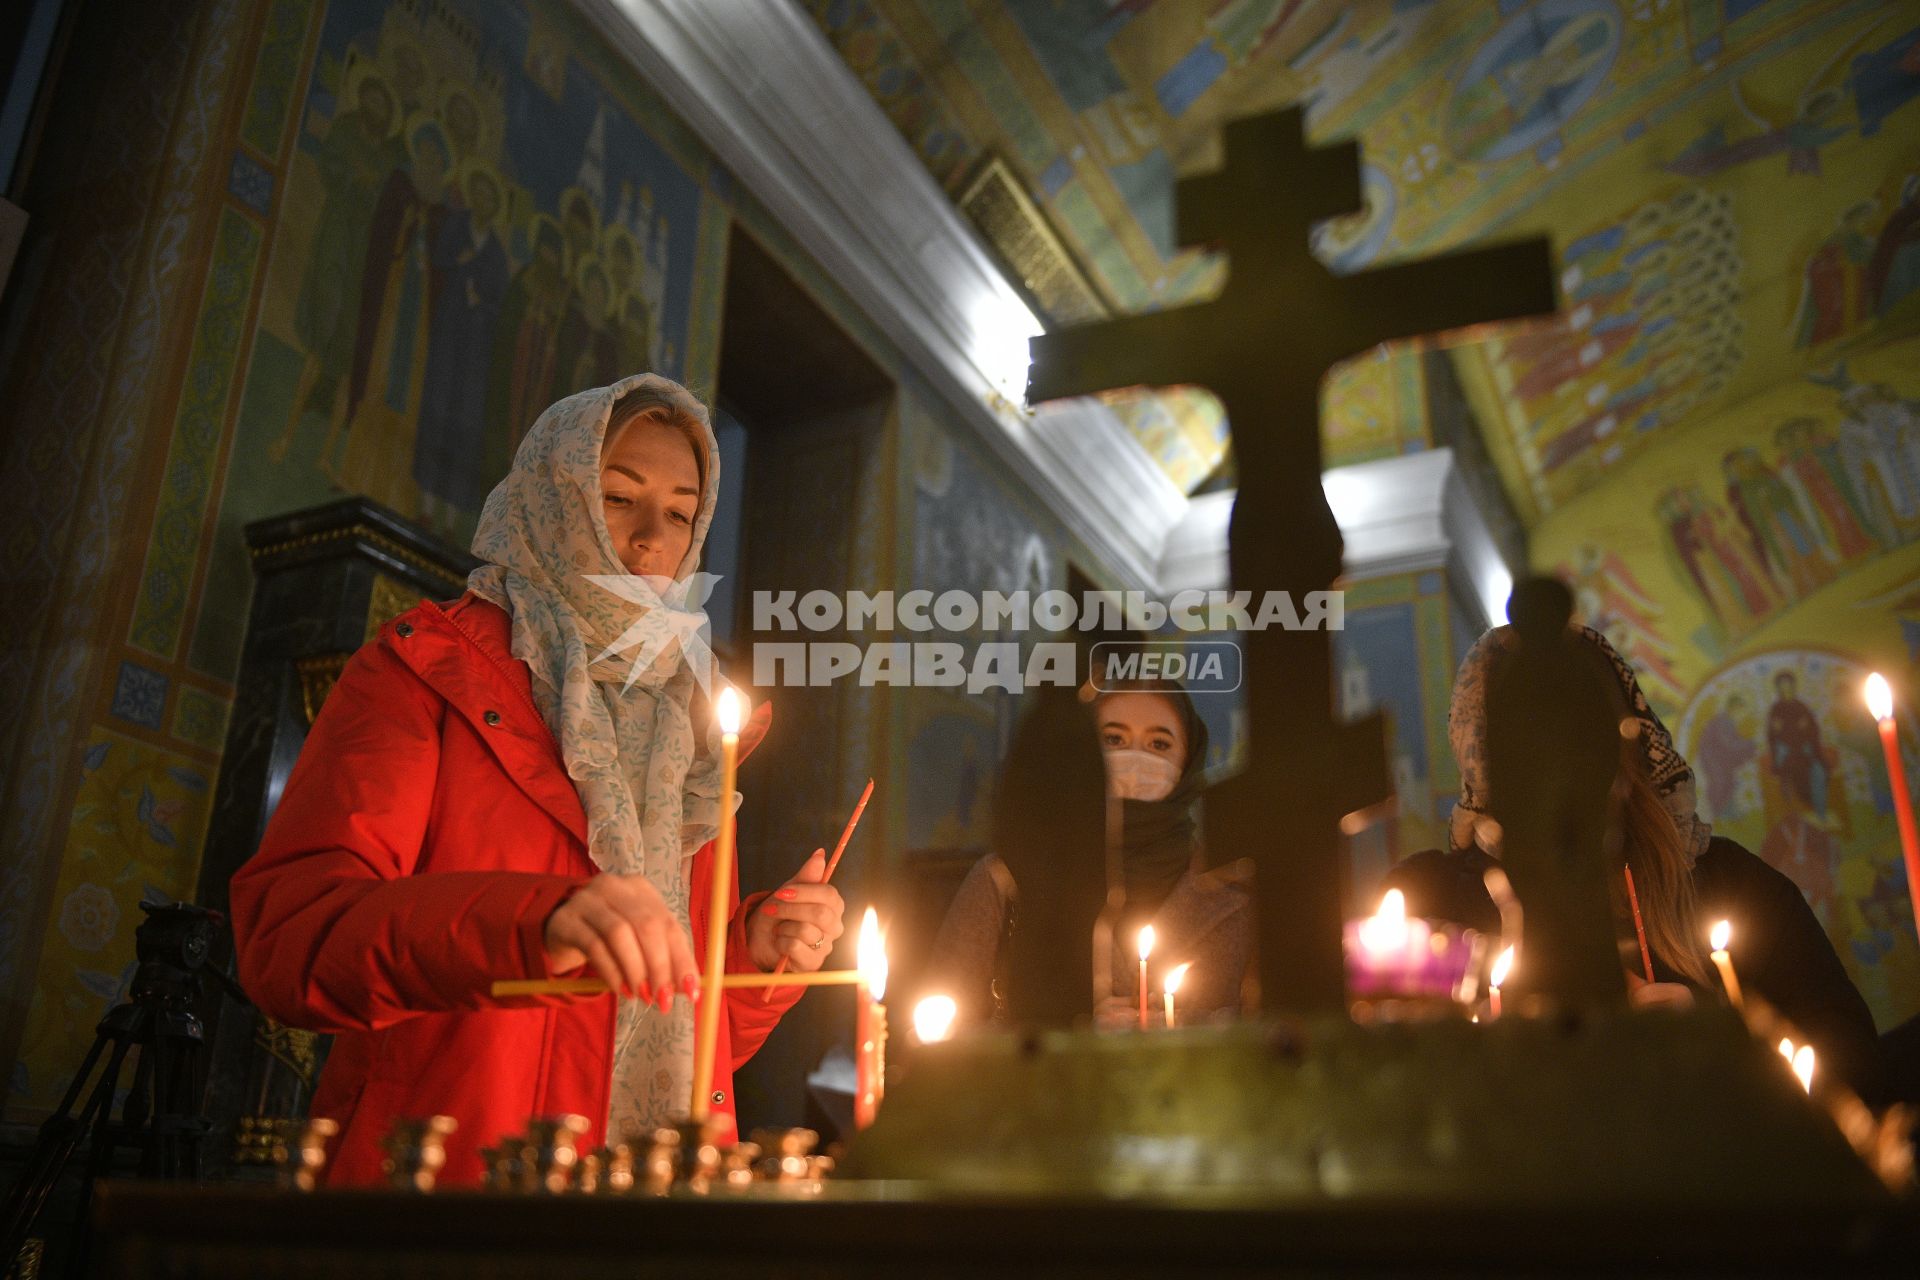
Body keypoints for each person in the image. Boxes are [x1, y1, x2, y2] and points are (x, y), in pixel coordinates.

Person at [231, 375, 845, 1185]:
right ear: (555, 497)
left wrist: (755, 959)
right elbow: (293, 941)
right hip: (450, 1181)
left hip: (647, 1195)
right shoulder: (426, 669)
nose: (651, 540)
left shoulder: (688, 731)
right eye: (619, 498)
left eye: (681, 512)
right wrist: (537, 923)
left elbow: (669, 1038)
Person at [1385, 624, 1884, 1102]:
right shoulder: (1430, 906)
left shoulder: (1728, 884)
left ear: (1625, 740)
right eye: (1526, 736)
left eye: (1580, 729)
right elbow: (1386, 1086)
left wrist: (1712, 1043)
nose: (1559, 764)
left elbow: (1848, 1056)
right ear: (1481, 754)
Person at [929, 679, 1251, 1026]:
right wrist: (1061, 1031)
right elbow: (933, 1038)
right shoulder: (1004, 881)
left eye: (1159, 743)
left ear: (1189, 761)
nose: (1135, 758)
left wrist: (1174, 1030)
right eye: (1114, 739)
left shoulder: (1236, 895)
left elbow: (1274, 1037)